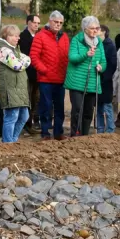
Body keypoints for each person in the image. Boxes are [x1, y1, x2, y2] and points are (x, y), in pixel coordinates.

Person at [30, 10, 70, 141]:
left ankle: (58, 132)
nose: (58, 24)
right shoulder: (40, 36)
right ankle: (45, 132)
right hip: (46, 78)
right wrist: (44, 70)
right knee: (46, 106)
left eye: (60, 23)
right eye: (56, 22)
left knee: (60, 107)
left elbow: (66, 56)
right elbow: (34, 57)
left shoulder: (64, 37)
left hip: (60, 78)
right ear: (50, 21)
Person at [65, 15, 105, 136]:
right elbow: (72, 58)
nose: (95, 31)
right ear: (85, 29)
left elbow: (103, 60)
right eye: (92, 28)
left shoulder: (99, 43)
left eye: (97, 28)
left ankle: (85, 135)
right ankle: (74, 134)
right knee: (77, 110)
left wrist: (101, 67)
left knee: (88, 112)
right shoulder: (77, 40)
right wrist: (86, 54)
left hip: (92, 82)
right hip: (77, 82)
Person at [0, 24, 32, 143]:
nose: (18, 38)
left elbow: (28, 59)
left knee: (24, 116)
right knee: (11, 117)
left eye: (18, 36)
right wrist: (24, 61)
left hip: (19, 89)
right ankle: (8, 142)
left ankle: (13, 139)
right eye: (14, 36)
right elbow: (17, 65)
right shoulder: (3, 50)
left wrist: (24, 60)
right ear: (6, 36)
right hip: (10, 89)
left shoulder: (14, 50)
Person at [19, 14, 41, 134]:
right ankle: (25, 124)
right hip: (27, 72)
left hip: (37, 73)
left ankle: (31, 122)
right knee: (26, 98)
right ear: (28, 23)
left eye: (38, 23)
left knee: (35, 99)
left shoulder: (39, 36)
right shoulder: (23, 37)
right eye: (34, 22)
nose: (37, 25)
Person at [97, 25, 117, 134]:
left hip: (106, 81)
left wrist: (105, 77)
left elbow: (113, 64)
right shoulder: (97, 43)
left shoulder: (110, 45)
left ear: (103, 32)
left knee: (107, 106)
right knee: (98, 106)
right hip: (97, 80)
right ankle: (100, 128)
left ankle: (110, 129)